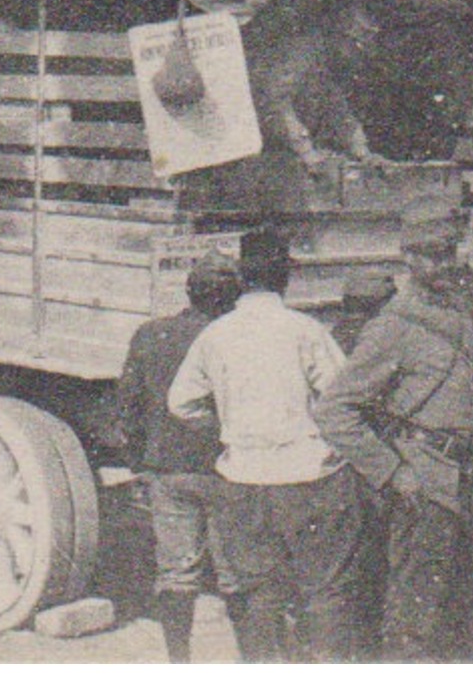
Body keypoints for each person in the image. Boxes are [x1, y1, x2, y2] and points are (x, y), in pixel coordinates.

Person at [314, 196, 473, 661]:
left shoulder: (468, 314)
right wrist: (391, 472)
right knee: (415, 615)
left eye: (449, 252)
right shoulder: (392, 327)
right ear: (409, 258)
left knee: (461, 606)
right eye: (432, 255)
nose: (444, 263)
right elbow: (335, 411)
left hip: (470, 479)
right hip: (424, 482)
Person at [168, 228, 367, 662]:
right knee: (324, 590)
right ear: (286, 277)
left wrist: (227, 425)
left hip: (243, 478)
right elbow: (342, 396)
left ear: (241, 278)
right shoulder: (305, 331)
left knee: (260, 594)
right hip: (309, 478)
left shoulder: (215, 335)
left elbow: (181, 403)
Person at [114, 249, 242, 662]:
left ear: (190, 292)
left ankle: (179, 662)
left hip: (168, 470)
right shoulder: (237, 338)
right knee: (234, 574)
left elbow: (128, 407)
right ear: (233, 296)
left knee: (176, 573)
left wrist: (141, 463)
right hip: (228, 470)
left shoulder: (151, 334)